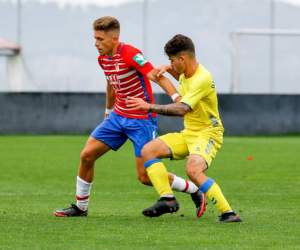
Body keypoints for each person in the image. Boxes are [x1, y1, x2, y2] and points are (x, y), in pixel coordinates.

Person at [54, 17, 207, 217]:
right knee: (86, 155)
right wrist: (108, 113)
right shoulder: (103, 59)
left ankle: (194, 189)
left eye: (100, 39)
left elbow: (156, 76)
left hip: (141, 120)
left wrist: (177, 98)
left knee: (144, 176)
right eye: (95, 38)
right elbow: (111, 84)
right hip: (118, 116)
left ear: (114, 39)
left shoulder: (131, 54)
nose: (96, 44)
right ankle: (81, 208)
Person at [126, 34, 243, 222]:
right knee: (148, 150)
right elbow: (182, 78)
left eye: (172, 60)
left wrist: (147, 106)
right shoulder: (186, 74)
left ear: (183, 58)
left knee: (193, 170)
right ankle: (168, 199)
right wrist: (169, 69)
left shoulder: (202, 78)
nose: (170, 64)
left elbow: (182, 109)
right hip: (189, 133)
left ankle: (229, 214)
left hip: (207, 134)